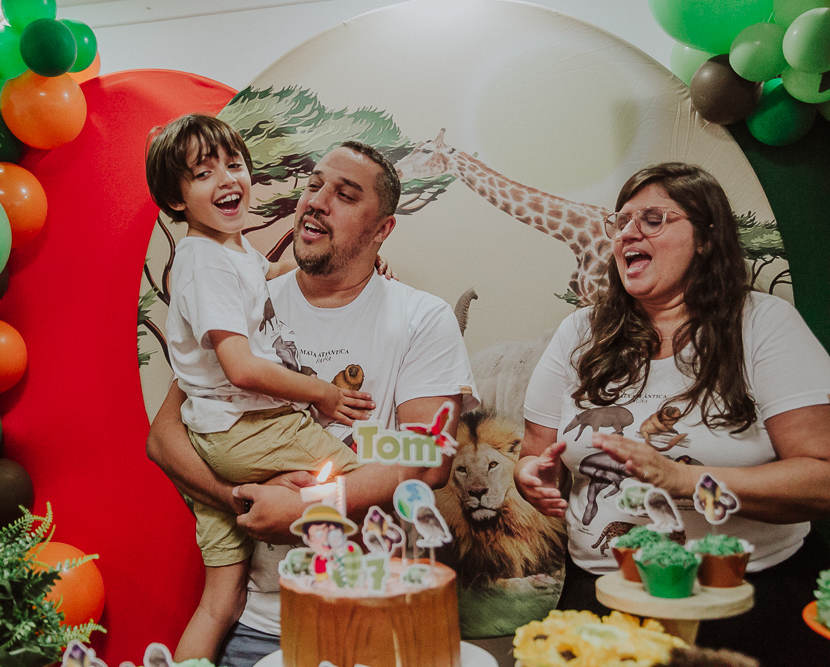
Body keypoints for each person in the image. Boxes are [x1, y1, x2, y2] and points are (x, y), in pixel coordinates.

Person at [147, 139, 479, 666]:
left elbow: (428, 462)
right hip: (258, 624)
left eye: (345, 195)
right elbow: (165, 437)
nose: (317, 201)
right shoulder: (247, 296)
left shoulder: (421, 318)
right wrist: (244, 499)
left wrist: (302, 507)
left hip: (371, 613)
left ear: (381, 230)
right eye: (314, 185)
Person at [514, 162, 830, 665]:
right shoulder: (579, 332)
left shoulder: (763, 325)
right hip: (603, 602)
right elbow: (534, 455)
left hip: (743, 603)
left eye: (654, 219)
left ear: (706, 237)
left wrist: (687, 481)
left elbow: (821, 480)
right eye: (622, 221)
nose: (629, 233)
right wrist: (532, 474)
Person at [145, 114, 373, 662]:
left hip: (214, 436)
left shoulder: (232, 254)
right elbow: (242, 368)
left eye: (234, 165)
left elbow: (257, 282)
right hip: (246, 427)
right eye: (203, 173)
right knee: (365, 484)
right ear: (176, 201)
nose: (227, 179)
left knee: (218, 602)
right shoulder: (206, 264)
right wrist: (320, 393)